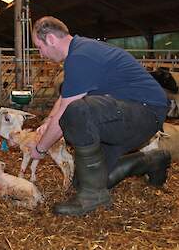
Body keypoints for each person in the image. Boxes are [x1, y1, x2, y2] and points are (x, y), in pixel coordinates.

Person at [29, 16, 171, 216]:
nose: (40, 54)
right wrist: (47, 121)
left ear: (51, 39)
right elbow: (65, 97)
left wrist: (40, 148)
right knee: (85, 181)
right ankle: (151, 160)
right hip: (124, 114)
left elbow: (67, 111)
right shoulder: (79, 51)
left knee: (77, 112)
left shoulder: (80, 57)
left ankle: (94, 197)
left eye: (39, 47)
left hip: (144, 111)